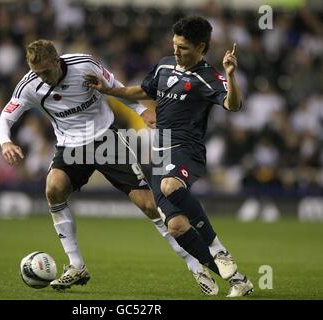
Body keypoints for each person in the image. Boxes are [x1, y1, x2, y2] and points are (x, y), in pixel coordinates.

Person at [0, 39, 220, 294]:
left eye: (46, 71)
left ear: (57, 61)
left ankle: (194, 265)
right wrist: (6, 143)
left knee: (149, 205)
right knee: (53, 190)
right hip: (70, 147)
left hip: (105, 139)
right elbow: (5, 119)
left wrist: (140, 110)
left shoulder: (84, 65)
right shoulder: (29, 85)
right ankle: (76, 265)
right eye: (37, 73)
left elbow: (116, 88)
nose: (43, 78)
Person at [85, 16, 254, 297]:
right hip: (160, 150)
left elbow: (232, 105)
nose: (176, 52)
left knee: (169, 186)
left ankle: (218, 248)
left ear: (201, 48)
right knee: (176, 227)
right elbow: (141, 90)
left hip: (188, 149)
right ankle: (238, 280)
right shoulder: (164, 65)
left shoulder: (208, 76)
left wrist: (232, 75)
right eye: (174, 45)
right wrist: (108, 90)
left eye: (183, 48)